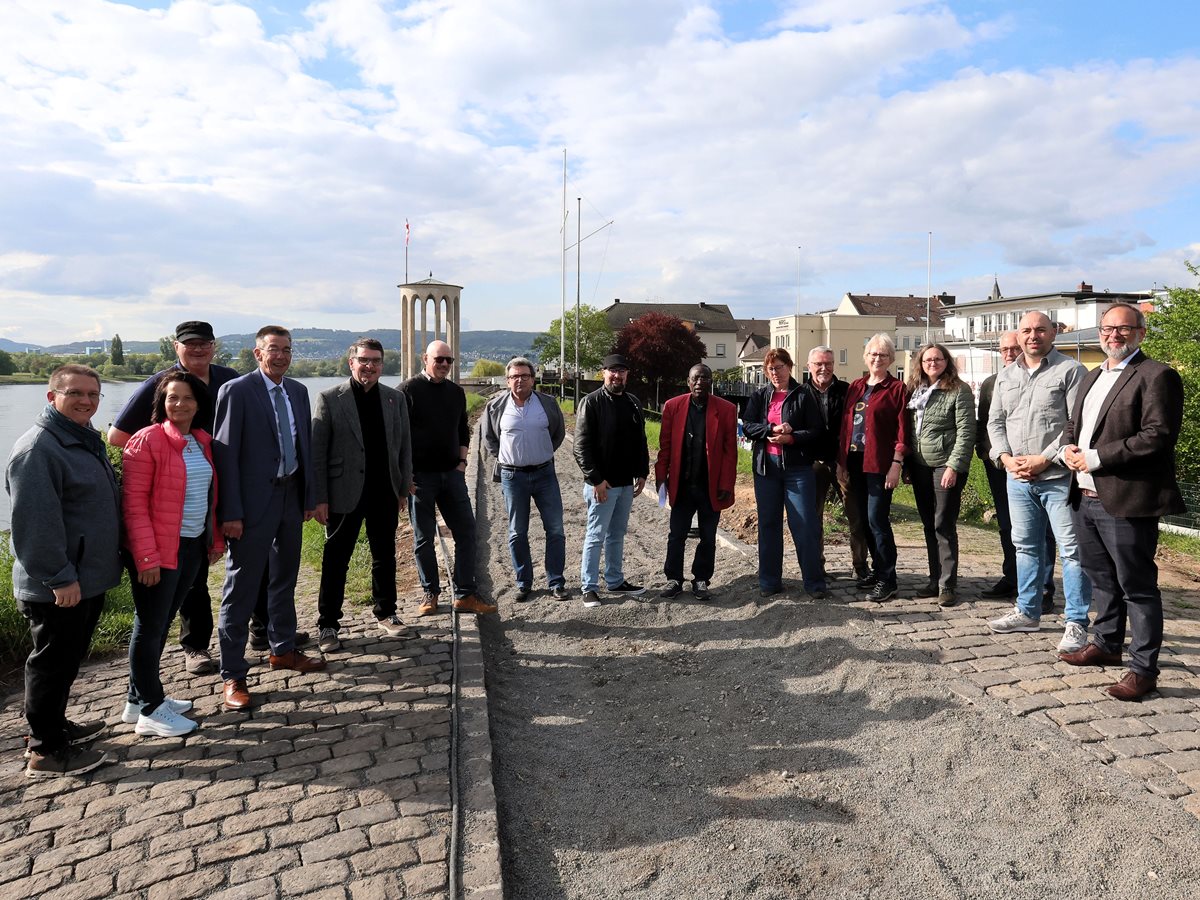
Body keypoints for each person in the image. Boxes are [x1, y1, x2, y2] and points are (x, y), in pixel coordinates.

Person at [1058, 304, 1184, 701]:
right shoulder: (1093, 375)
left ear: (1141, 333)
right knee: (1102, 580)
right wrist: (1066, 449)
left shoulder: (1156, 375)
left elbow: (1157, 436)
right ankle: (1107, 643)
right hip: (1085, 496)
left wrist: (1097, 458)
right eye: (1108, 328)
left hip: (1128, 499)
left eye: (1124, 328)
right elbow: (1075, 427)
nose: (1114, 335)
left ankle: (1144, 669)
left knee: (1137, 587)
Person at [108, 320, 239, 675]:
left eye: (204, 343)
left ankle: (263, 630)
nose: (198, 349)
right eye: (189, 343)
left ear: (214, 346)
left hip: (217, 486)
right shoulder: (161, 384)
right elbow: (117, 436)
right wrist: (162, 457)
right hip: (178, 497)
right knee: (189, 583)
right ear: (175, 347)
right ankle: (195, 646)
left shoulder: (228, 378)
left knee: (243, 558)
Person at [7, 365, 118, 776]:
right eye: (75, 393)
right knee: (51, 665)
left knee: (66, 660)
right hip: (59, 585)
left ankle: (55, 726)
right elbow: (35, 524)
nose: (86, 401)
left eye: (93, 394)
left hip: (82, 578)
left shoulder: (79, 438)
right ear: (52, 396)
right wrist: (59, 576)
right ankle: (46, 750)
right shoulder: (39, 449)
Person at [213, 326, 326, 712]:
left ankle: (283, 649)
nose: (281, 356)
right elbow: (225, 455)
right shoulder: (237, 391)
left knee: (284, 579)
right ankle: (233, 673)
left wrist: (308, 498)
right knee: (241, 587)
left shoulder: (298, 391)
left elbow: (304, 446)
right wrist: (230, 512)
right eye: (273, 350)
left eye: (287, 350)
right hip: (251, 505)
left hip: (290, 498)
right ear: (257, 353)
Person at [120, 371, 223, 737]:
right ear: (161, 403)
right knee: (150, 628)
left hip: (192, 546)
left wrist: (213, 541)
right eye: (172, 397)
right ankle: (151, 709)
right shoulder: (146, 440)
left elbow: (208, 497)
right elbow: (133, 506)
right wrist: (146, 558)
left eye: (187, 398)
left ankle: (136, 700)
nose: (180, 404)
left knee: (160, 623)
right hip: (159, 551)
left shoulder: (200, 441)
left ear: (199, 404)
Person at [985, 311, 1091, 653]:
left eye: (1040, 330)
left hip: (1058, 477)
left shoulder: (1071, 371)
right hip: (1017, 478)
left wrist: (1044, 458)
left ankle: (1076, 622)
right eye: (1027, 330)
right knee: (1026, 546)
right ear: (1018, 335)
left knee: (1072, 550)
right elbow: (995, 422)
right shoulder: (1005, 376)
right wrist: (1004, 458)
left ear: (1053, 333)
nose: (1033, 336)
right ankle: (1028, 612)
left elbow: (1076, 424)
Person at [312, 338, 413, 653]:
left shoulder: (395, 398)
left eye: (376, 361)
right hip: (343, 493)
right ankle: (328, 624)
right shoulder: (330, 398)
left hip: (384, 491)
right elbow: (317, 453)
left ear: (382, 365)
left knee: (385, 556)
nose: (370, 366)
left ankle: (386, 612)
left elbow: (404, 447)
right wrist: (320, 498)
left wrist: (402, 489)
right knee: (336, 559)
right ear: (351, 362)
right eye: (364, 360)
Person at [400, 340, 497, 617]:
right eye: (439, 359)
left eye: (449, 360)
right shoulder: (407, 391)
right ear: (425, 359)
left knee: (467, 532)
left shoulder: (456, 392)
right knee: (423, 538)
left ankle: (465, 594)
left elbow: (463, 429)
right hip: (420, 479)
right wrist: (405, 474)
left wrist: (462, 462)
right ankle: (430, 593)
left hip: (452, 475)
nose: (444, 364)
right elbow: (397, 436)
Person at [977, 332, 1057, 610]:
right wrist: (991, 455)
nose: (1009, 354)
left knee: (1041, 528)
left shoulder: (1045, 375)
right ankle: (1012, 577)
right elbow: (986, 423)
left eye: (1014, 348)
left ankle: (1043, 588)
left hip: (1036, 464)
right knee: (1007, 524)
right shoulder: (992, 382)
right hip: (1000, 465)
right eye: (1004, 350)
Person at [482, 357, 569, 602]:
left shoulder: (547, 404)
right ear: (507, 380)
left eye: (525, 376)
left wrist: (541, 451)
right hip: (513, 476)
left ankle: (556, 581)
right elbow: (489, 439)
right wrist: (507, 457)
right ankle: (524, 582)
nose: (520, 380)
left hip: (544, 474)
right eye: (515, 376)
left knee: (555, 529)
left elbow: (558, 433)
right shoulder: (495, 406)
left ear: (533, 379)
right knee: (517, 532)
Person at [742, 349, 827, 599]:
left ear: (789, 367)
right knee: (768, 525)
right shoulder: (759, 396)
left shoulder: (804, 395)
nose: (775, 373)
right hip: (766, 469)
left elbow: (816, 430)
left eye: (779, 367)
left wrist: (791, 437)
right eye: (770, 369)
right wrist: (770, 429)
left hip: (797, 469)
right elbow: (747, 426)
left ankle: (814, 583)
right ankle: (769, 582)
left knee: (805, 525)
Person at [654, 364, 737, 601]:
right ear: (688, 382)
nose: (700, 382)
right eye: (695, 378)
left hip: (710, 486)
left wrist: (726, 484)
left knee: (708, 536)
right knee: (676, 535)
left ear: (711, 382)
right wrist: (661, 477)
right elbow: (665, 446)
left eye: (705, 378)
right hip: (682, 484)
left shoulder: (726, 409)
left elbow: (730, 452)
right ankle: (674, 579)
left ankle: (701, 579)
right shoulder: (673, 407)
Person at [574, 354, 650, 608]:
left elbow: (640, 440)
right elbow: (580, 447)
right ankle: (589, 587)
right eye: (613, 371)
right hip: (602, 484)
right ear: (603, 372)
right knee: (596, 535)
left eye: (622, 371)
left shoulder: (633, 402)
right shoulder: (591, 402)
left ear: (627, 374)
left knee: (617, 534)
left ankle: (615, 580)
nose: (617, 376)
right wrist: (596, 479)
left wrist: (642, 472)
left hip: (626, 483)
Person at [837, 334, 908, 603]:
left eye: (883, 355)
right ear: (866, 357)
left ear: (891, 359)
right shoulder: (856, 386)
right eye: (873, 354)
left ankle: (888, 579)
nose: (877, 358)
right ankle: (877, 571)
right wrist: (841, 462)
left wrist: (896, 464)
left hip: (880, 463)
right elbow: (846, 427)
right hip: (855, 462)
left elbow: (903, 430)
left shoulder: (897, 388)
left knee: (877, 519)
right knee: (863, 520)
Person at [904, 343, 976, 607]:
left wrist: (953, 466)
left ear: (947, 362)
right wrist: (907, 466)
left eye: (937, 359)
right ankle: (934, 579)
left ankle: (948, 584)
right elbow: (909, 430)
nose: (932, 363)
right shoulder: (915, 390)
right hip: (920, 466)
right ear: (920, 364)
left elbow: (966, 431)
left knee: (943, 525)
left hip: (945, 466)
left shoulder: (959, 390)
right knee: (928, 524)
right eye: (927, 360)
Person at [804, 346, 869, 583]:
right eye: (818, 364)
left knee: (856, 515)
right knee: (813, 518)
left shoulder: (847, 391)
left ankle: (860, 565)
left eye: (828, 363)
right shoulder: (800, 393)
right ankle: (817, 566)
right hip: (812, 463)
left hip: (844, 462)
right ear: (809, 366)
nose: (824, 368)